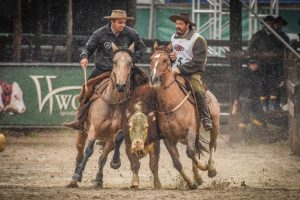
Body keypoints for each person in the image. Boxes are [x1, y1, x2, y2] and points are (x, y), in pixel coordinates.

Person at [63, 10, 145, 130]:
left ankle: (143, 120)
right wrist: (84, 57)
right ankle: (80, 120)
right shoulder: (100, 33)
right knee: (87, 91)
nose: (123, 25)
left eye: (124, 22)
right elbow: (88, 47)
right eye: (120, 22)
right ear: (112, 21)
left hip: (125, 69)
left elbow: (141, 48)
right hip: (103, 70)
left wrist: (133, 60)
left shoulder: (131, 33)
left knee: (142, 88)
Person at [167, 12, 212, 131]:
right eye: (176, 24)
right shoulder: (173, 37)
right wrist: (170, 57)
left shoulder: (198, 39)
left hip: (191, 74)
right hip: (174, 71)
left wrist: (180, 69)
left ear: (187, 25)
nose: (177, 26)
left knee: (197, 89)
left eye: (180, 24)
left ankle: (205, 117)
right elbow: (170, 54)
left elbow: (199, 61)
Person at [248, 15, 280, 112]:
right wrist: (254, 61)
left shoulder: (277, 36)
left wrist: (275, 54)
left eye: (271, 23)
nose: (269, 25)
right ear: (264, 24)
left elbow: (281, 49)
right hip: (261, 64)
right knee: (262, 83)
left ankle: (273, 105)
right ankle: (263, 106)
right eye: (268, 23)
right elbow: (251, 49)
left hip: (274, 64)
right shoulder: (257, 36)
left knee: (273, 83)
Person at [233, 58, 264, 129]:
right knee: (246, 106)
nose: (253, 66)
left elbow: (261, 85)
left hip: (255, 96)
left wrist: (261, 94)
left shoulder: (259, 74)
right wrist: (237, 98)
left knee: (259, 110)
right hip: (245, 95)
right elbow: (238, 86)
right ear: (249, 65)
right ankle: (244, 122)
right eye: (252, 65)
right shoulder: (244, 73)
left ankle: (255, 120)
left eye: (255, 65)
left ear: (257, 65)